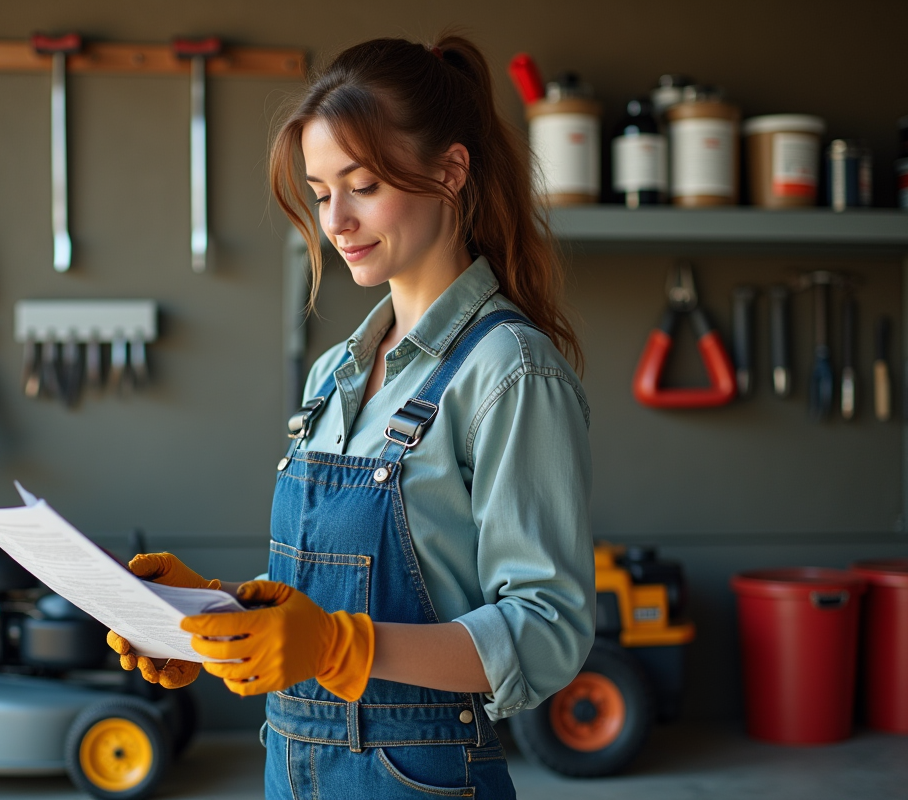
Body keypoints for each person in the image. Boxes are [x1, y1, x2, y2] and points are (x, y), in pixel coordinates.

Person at [107, 33, 595, 798]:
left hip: (418, 781)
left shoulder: (508, 371)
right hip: (291, 772)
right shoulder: (337, 370)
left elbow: (548, 629)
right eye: (321, 190)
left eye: (361, 184)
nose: (335, 220)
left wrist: (339, 646)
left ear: (449, 170)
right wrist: (212, 620)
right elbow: (331, 592)